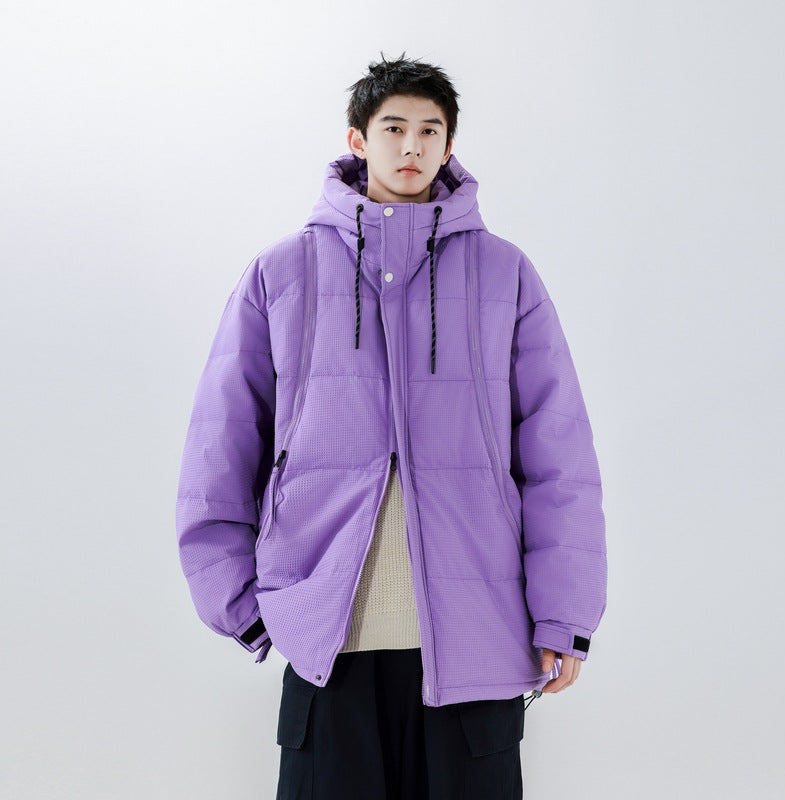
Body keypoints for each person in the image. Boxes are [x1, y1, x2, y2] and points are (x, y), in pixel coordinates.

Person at [175, 51, 607, 799]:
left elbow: (559, 456)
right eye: (394, 128)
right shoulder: (282, 273)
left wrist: (564, 613)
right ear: (358, 139)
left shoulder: (506, 275)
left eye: (430, 131)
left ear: (449, 144)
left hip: (477, 642)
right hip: (327, 644)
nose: (412, 146)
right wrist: (241, 605)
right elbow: (221, 445)